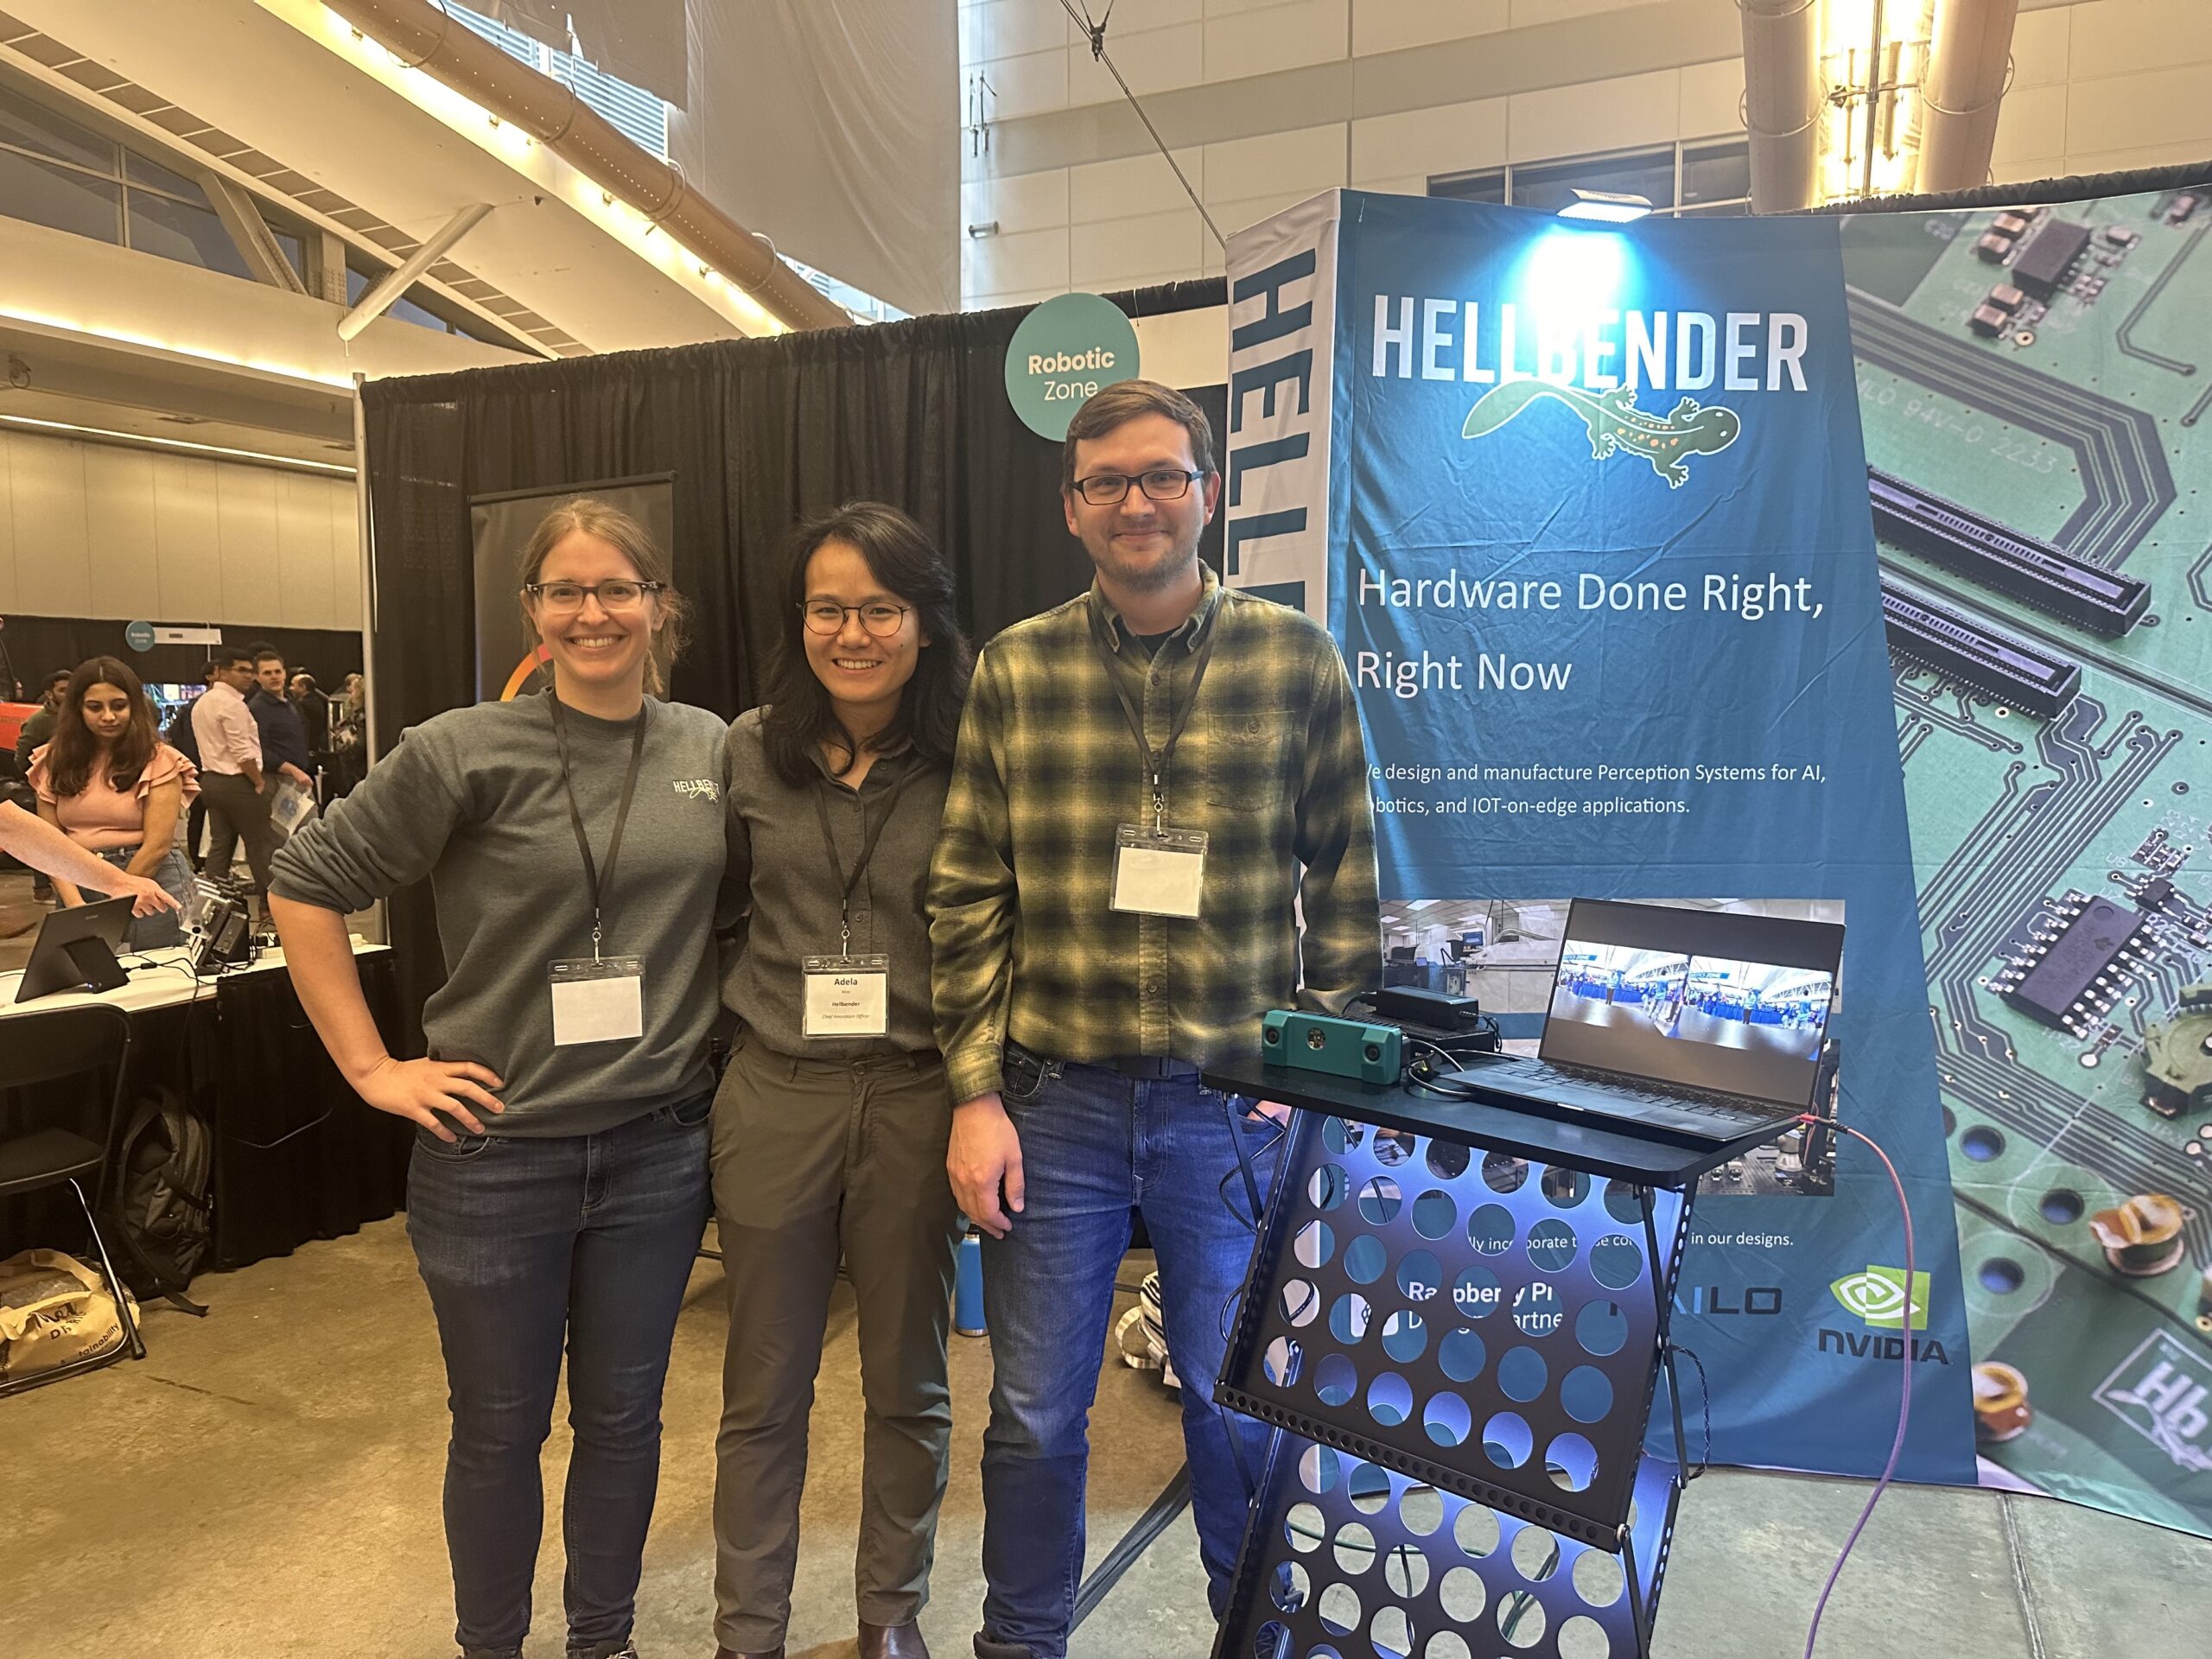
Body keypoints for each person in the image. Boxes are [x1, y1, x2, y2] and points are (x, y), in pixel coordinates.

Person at [927, 379, 1381, 1659]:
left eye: (1162, 476)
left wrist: (1322, 1072)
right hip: (1052, 1105)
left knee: (1241, 1412)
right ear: (1072, 510)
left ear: (1209, 493)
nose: (1137, 501)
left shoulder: (1295, 661)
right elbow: (966, 894)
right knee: (1031, 1413)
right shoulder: (1017, 670)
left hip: (1230, 1106)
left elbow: (1346, 882)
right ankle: (1022, 1642)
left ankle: (1255, 1637)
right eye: (1107, 482)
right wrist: (974, 1093)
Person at [268, 497, 726, 1659]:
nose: (592, 613)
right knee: (499, 1429)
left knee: (624, 1423)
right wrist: (374, 1067)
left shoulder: (714, 751)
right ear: (533, 610)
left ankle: (603, 1641)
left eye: (617, 588)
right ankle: (493, 1647)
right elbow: (304, 883)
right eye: (565, 591)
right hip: (495, 1158)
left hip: (656, 1153)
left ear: (660, 604)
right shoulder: (460, 751)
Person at [710, 504, 973, 1659]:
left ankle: (888, 1615)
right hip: (779, 1092)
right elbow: (700, 907)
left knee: (908, 1382)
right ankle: (749, 1630)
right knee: (763, 1389)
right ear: (798, 619)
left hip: (920, 1094)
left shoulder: (973, 752)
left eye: (880, 607)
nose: (852, 632)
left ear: (922, 622)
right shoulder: (745, 749)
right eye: (828, 607)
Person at [27, 657, 197, 948]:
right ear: (78, 709)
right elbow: (49, 845)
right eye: (95, 707)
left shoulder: (161, 759)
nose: (108, 716)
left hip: (151, 880)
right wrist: (75, 904)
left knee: (161, 982)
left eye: (119, 706)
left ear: (134, 707)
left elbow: (157, 846)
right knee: (82, 984)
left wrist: (112, 902)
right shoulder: (52, 760)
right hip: (75, 878)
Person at [192, 645, 276, 906]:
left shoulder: (203, 702)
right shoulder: (232, 705)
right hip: (237, 782)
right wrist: (259, 781)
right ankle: (271, 907)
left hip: (211, 781)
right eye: (241, 671)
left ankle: (215, 906)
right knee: (261, 845)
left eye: (251, 671)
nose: (248, 676)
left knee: (220, 845)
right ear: (221, 672)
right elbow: (242, 752)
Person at [0, 799, 180, 918]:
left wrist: (119, 883)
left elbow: (12, 827)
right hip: (82, 876)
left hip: (97, 873)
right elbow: (11, 827)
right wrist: (118, 883)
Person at [246, 643, 315, 800]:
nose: (274, 676)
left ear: (285, 673)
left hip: (300, 778)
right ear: (257, 677)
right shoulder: (257, 708)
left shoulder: (291, 703)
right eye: (267, 673)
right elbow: (258, 749)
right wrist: (291, 769)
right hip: (277, 781)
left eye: (277, 671)